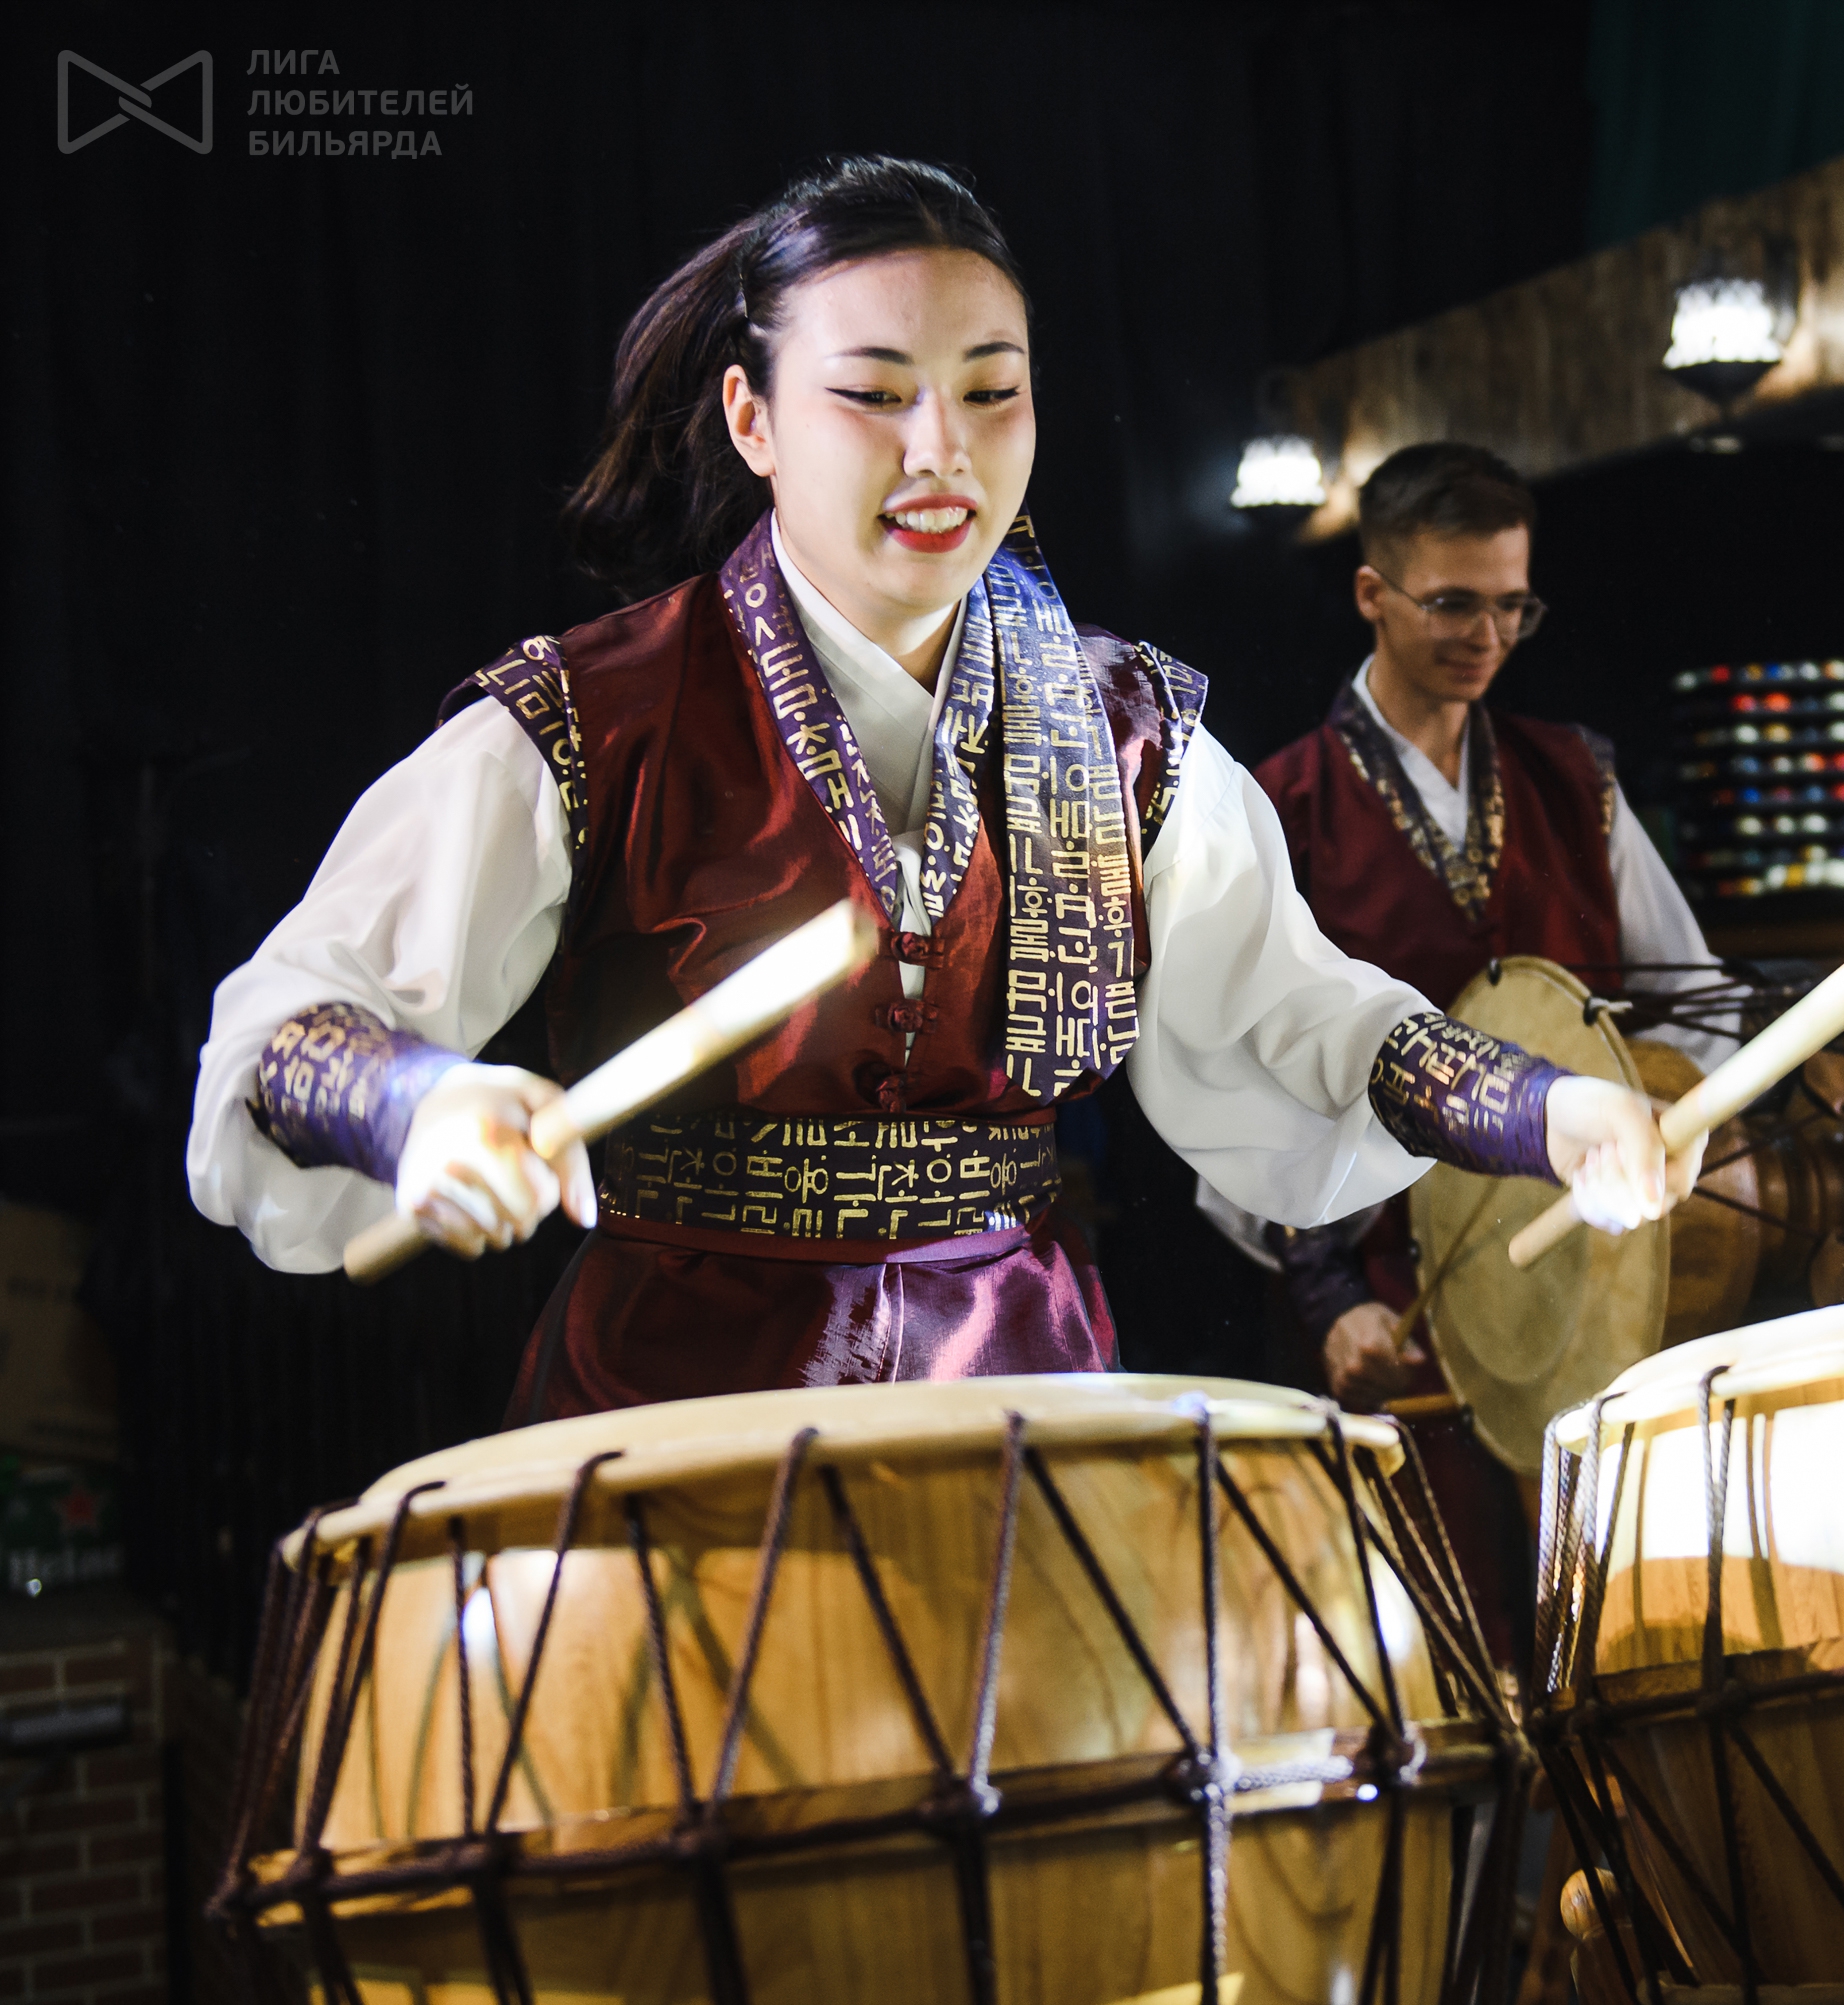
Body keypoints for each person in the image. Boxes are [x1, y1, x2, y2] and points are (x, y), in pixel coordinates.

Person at [185, 158, 1697, 1421]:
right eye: (873, 393)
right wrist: (413, 1101)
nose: (942, 451)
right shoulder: (596, 717)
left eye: (990, 392)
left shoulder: (1126, 736)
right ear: (752, 418)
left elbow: (1306, 1013)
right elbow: (285, 1029)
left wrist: (1543, 1109)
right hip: (677, 1416)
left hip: (1020, 1392)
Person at [1239, 443, 1733, 1409]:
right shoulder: (1282, 807)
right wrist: (1330, 1299)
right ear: (1372, 594)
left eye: (1513, 606)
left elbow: (1694, 1001)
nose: (1489, 635)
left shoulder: (1575, 779)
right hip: (1391, 1292)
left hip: (1593, 1274)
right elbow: (1242, 1087)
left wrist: (1660, 1128)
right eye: (1454, 603)